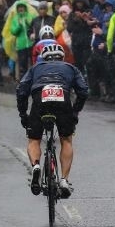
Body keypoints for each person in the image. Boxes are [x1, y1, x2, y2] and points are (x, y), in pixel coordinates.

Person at [16, 42, 89, 198]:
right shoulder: (71, 68)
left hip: (40, 99)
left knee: (34, 139)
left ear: (43, 58)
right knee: (66, 140)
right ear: (62, 57)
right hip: (62, 98)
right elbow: (83, 91)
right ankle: (64, 179)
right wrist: (75, 112)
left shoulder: (35, 68)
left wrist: (23, 114)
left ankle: (36, 166)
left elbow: (21, 91)